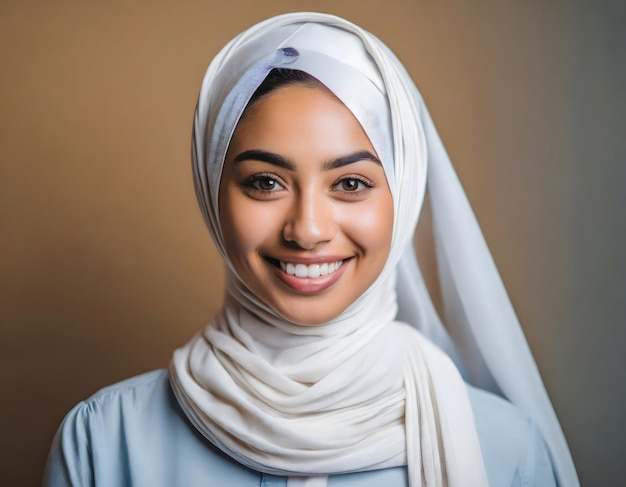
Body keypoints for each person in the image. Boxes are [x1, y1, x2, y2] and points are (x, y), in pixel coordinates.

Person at [43, 12, 579, 487]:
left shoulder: (507, 453)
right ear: (212, 193)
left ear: (406, 194)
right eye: (265, 182)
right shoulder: (104, 442)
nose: (307, 229)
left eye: (350, 183)